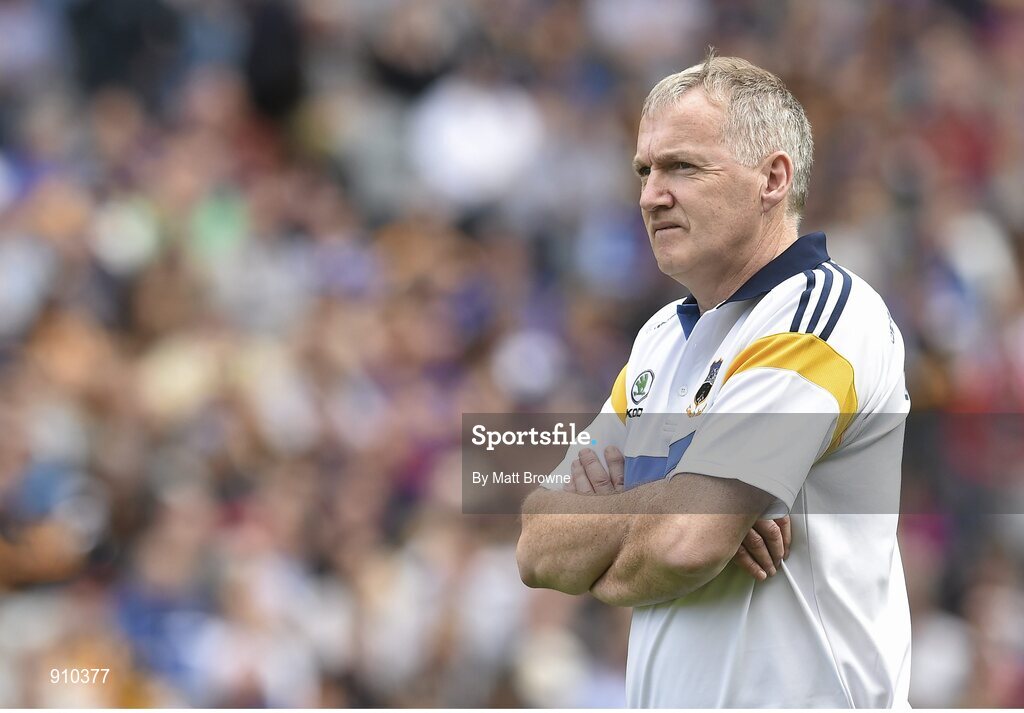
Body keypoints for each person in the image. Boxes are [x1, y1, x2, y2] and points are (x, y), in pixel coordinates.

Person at [516, 52, 912, 708]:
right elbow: (536, 544)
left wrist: (641, 511)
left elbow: (683, 541)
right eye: (645, 170)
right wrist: (683, 493)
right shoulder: (661, 339)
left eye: (682, 167)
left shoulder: (820, 316)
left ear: (773, 178)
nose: (651, 195)